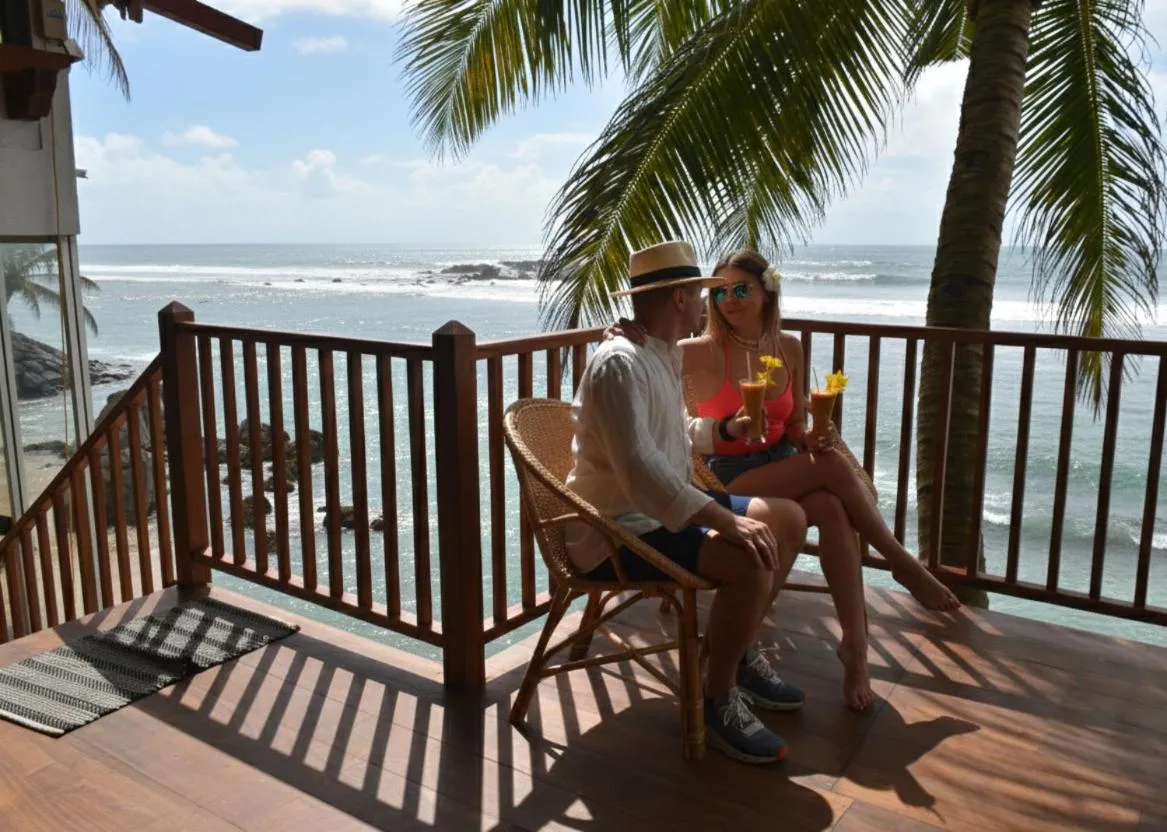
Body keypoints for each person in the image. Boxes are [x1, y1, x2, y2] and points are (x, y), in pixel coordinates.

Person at [607, 247, 960, 713]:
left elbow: (792, 424)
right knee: (833, 472)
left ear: (766, 293)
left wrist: (812, 435)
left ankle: (855, 645)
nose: (728, 300)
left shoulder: (788, 346)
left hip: (782, 463)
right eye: (720, 293)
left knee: (833, 508)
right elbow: (644, 348)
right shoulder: (693, 350)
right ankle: (898, 560)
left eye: (740, 289)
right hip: (725, 476)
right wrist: (613, 329)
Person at [566, 240, 809, 765]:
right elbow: (642, 475)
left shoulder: (661, 355)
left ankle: (737, 653)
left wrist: (726, 428)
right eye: (701, 294)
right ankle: (717, 700)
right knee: (748, 556)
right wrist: (724, 519)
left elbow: (674, 435)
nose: (708, 305)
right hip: (619, 529)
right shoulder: (619, 365)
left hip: (659, 510)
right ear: (679, 298)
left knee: (788, 519)